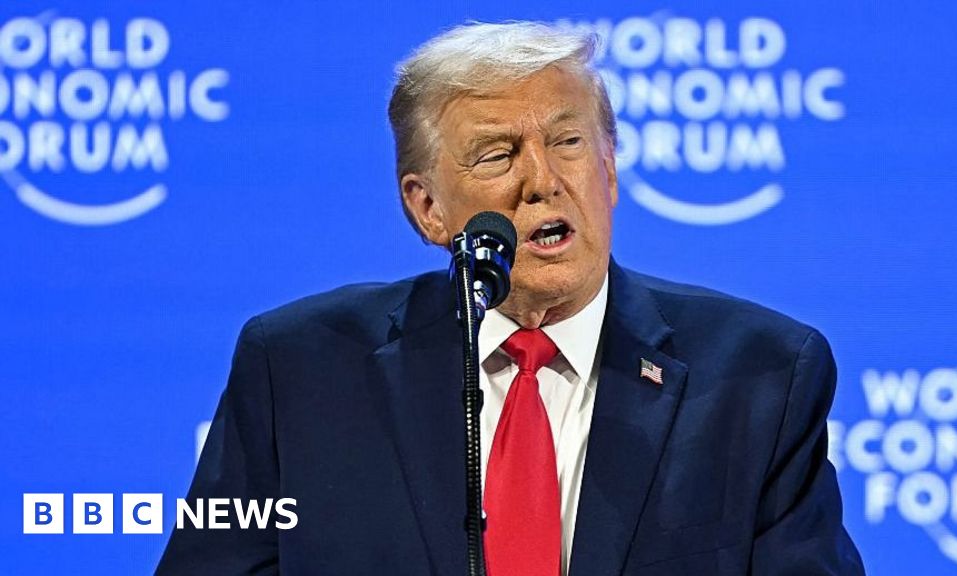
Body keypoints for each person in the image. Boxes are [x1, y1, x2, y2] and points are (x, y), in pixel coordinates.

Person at [157, 21, 864, 575]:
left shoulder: (760, 376)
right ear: (427, 207)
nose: (543, 180)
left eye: (568, 142)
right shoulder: (300, 370)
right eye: (497, 154)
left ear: (610, 171)